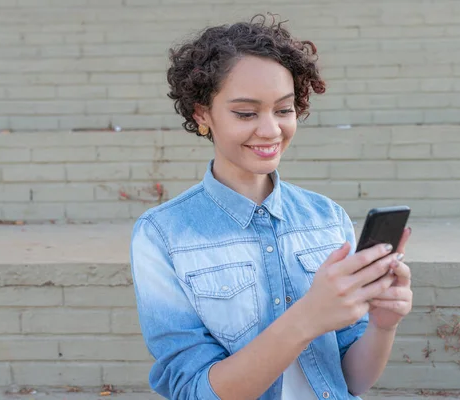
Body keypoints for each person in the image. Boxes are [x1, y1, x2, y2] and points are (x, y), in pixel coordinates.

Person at [130, 14, 413, 400]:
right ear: (202, 115)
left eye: (283, 110)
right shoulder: (163, 234)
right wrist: (308, 317)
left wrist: (383, 325)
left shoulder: (326, 218)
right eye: (246, 113)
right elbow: (195, 391)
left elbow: (351, 382)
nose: (270, 130)